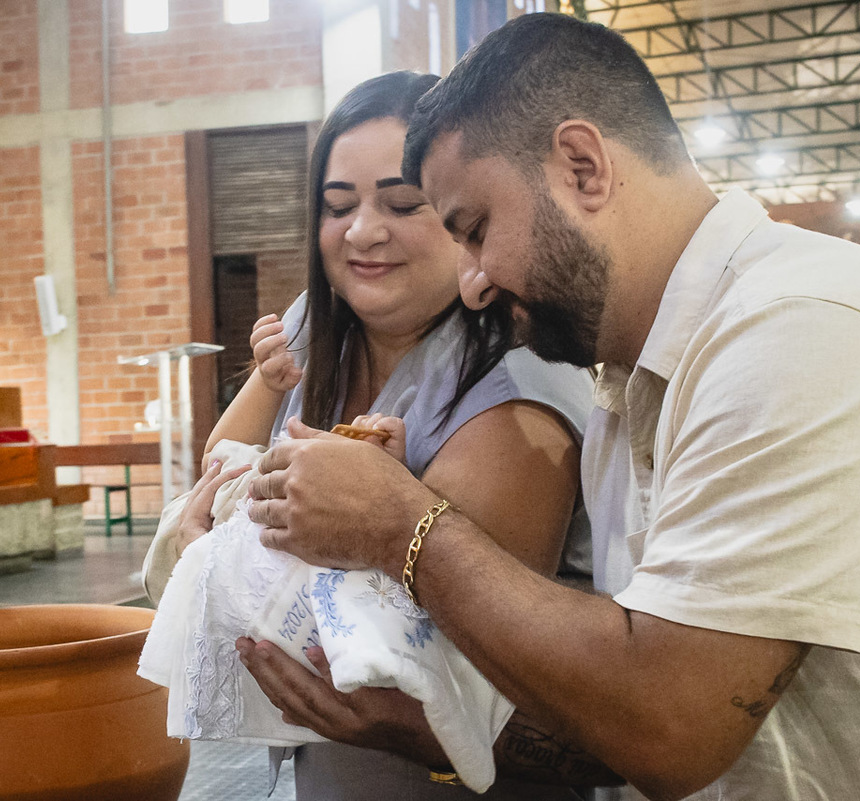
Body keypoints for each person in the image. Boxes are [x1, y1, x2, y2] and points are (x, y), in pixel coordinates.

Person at [240, 13, 860, 801]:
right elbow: (611, 719)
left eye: (478, 226)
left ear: (583, 166)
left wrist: (402, 525)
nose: (474, 280)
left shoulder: (803, 325)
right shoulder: (623, 395)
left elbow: (670, 725)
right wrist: (420, 726)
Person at [144, 70, 599, 800]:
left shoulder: (519, 390)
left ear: (463, 215)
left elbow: (421, 637)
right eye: (337, 206)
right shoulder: (313, 329)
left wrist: (211, 567)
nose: (362, 231)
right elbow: (224, 471)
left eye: (401, 203)